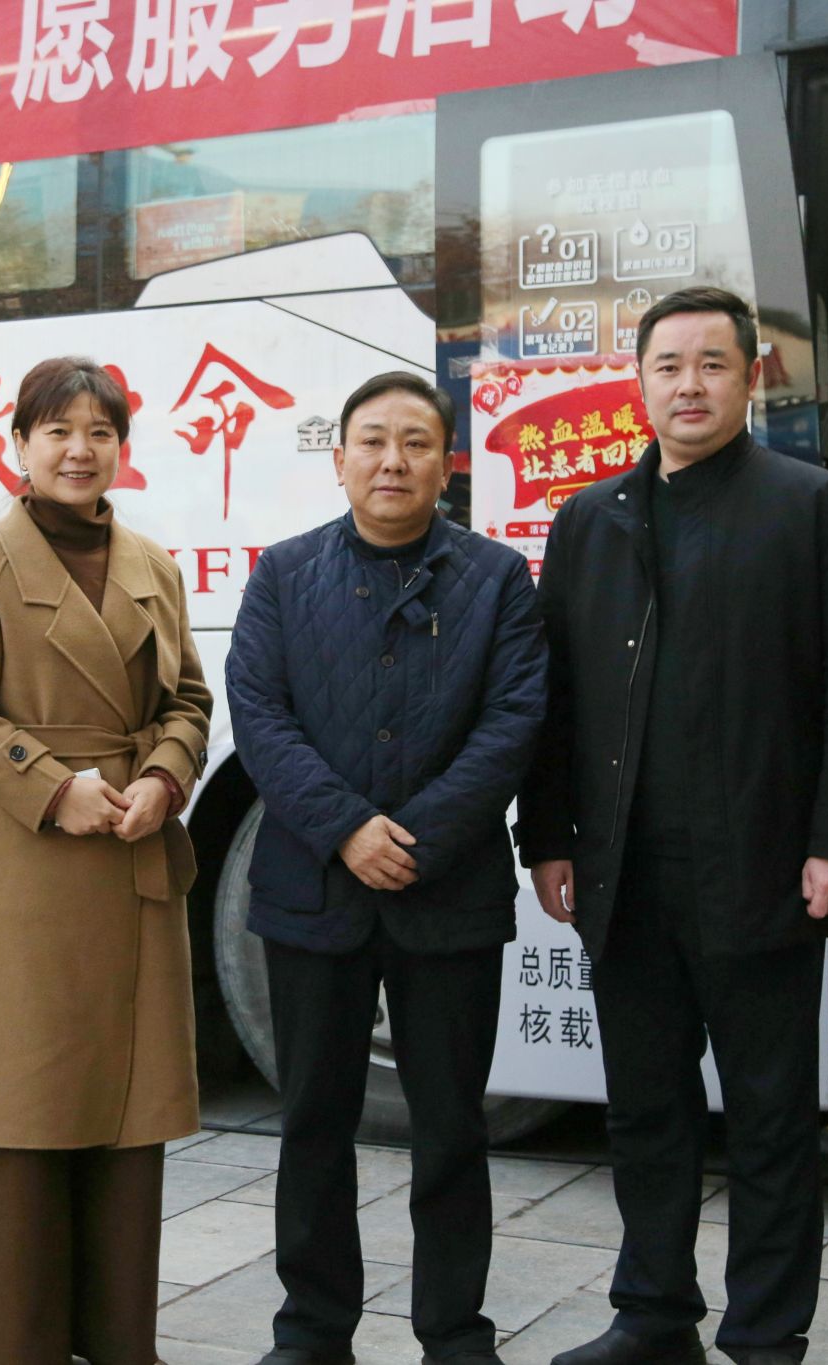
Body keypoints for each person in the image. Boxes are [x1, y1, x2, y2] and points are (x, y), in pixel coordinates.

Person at [519, 287, 828, 1365]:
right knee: (645, 1111)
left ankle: (765, 1335)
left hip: (764, 867)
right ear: (638, 384)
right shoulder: (590, 519)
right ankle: (651, 1316)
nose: (688, 385)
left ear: (749, 377)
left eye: (712, 364)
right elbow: (553, 695)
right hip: (626, 874)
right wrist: (546, 837)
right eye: (668, 365)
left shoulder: (812, 506)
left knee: (770, 1116)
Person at [227, 372, 547, 1365]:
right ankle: (312, 1330)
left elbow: (514, 721)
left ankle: (454, 1332)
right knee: (312, 1123)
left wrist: (413, 838)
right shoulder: (284, 574)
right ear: (339, 460)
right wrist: (345, 829)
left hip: (448, 895)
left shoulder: (497, 579)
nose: (392, 461)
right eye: (371, 441)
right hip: (311, 889)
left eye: (415, 442)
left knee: (450, 1127)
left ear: (447, 464)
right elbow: (260, 715)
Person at [0, 356, 212, 1365]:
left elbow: (188, 698)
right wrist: (54, 786)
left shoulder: (151, 563)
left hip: (132, 853)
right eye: (57, 430)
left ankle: (121, 1342)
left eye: (99, 432)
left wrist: (165, 777)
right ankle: (24, 1347)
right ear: (19, 444)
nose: (79, 450)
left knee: (130, 1119)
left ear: (121, 449)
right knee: (28, 1106)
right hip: (29, 863)